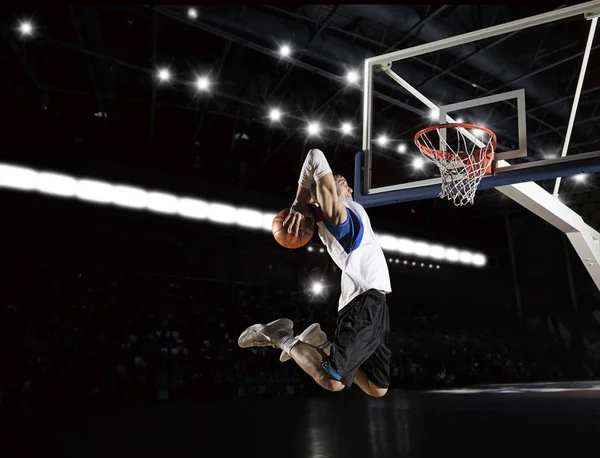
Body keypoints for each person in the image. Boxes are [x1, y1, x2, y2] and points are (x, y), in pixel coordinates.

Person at [238, 148, 392, 397]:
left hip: (374, 300)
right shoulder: (337, 214)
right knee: (333, 381)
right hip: (365, 301)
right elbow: (315, 155)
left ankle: (320, 343)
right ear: (322, 195)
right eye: (343, 182)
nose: (350, 188)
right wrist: (300, 202)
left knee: (377, 388)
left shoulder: (347, 211)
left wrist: (304, 202)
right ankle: (279, 336)